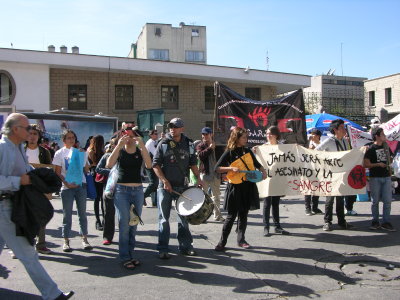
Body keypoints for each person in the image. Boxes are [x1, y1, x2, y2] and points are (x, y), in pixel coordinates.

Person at [0, 113, 74, 300]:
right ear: (15, 129)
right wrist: (19, 181)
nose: (31, 132)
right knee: (27, 253)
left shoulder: (17, 148)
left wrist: (40, 176)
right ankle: (53, 294)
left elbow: (26, 171)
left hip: (11, 203)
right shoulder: (2, 148)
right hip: (5, 205)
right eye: (26, 128)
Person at [153, 117, 204, 259]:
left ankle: (186, 247)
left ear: (182, 128)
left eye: (175, 127)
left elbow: (193, 163)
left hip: (182, 186)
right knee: (164, 219)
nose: (172, 129)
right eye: (170, 126)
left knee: (184, 219)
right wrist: (164, 181)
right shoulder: (163, 143)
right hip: (164, 187)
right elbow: (155, 165)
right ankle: (163, 248)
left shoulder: (188, 144)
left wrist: (199, 178)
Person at [214, 127, 267, 251]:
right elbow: (217, 168)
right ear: (236, 138)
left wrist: (263, 172)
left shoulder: (248, 151)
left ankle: (241, 240)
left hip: (248, 186)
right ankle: (222, 242)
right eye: (243, 137)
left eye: (246, 137)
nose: (246, 139)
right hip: (235, 188)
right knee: (231, 216)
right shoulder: (230, 152)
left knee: (243, 215)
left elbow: (257, 164)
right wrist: (230, 169)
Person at [106, 126, 152, 269]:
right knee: (124, 223)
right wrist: (118, 145)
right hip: (122, 190)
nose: (129, 138)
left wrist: (142, 145)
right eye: (126, 135)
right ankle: (125, 256)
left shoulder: (139, 150)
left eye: (131, 136)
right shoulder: (120, 150)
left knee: (134, 223)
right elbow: (108, 164)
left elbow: (149, 164)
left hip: (137, 190)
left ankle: (131, 254)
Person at [53, 130, 93, 252]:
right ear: (63, 140)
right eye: (68, 138)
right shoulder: (59, 153)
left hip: (80, 186)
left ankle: (84, 238)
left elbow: (86, 170)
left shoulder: (80, 152)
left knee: (82, 214)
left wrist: (84, 157)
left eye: (73, 138)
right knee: (67, 215)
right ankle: (66, 240)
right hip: (67, 188)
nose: (71, 140)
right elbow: (57, 172)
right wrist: (66, 183)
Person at [316, 119, 353, 231]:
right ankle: (327, 222)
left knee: (341, 199)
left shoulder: (345, 142)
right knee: (330, 199)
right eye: (342, 127)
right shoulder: (328, 141)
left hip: (341, 174)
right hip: (331, 175)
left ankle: (342, 221)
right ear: (335, 130)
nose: (344, 129)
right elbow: (316, 152)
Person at [254, 126, 289, 236]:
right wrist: (255, 151)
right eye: (267, 134)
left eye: (270, 134)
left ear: (276, 135)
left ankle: (277, 226)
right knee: (267, 203)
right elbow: (258, 161)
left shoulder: (282, 147)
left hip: (278, 179)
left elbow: (288, 160)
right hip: (267, 179)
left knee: (275, 203)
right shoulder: (264, 147)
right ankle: (266, 226)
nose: (268, 136)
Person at [25, 124, 54, 255]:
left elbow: (48, 170)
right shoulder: (20, 149)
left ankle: (41, 244)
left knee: (41, 215)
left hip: (39, 187)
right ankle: (23, 247)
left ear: (38, 136)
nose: (32, 137)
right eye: (30, 134)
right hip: (24, 187)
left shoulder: (44, 152)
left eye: (35, 134)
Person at [364, 127, 396, 231]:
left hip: (386, 176)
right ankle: (375, 221)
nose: (384, 136)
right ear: (377, 136)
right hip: (375, 177)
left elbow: (390, 158)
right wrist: (378, 164)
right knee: (375, 201)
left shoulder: (386, 146)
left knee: (387, 201)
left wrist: (389, 161)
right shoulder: (371, 148)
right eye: (382, 134)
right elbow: (366, 164)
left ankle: (386, 222)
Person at [196, 127, 224, 222]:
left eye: (206, 134)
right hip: (204, 174)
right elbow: (200, 156)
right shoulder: (200, 146)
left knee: (216, 197)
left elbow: (222, 160)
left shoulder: (218, 146)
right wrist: (210, 148)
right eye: (203, 134)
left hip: (215, 174)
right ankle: (203, 217)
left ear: (211, 134)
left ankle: (217, 216)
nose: (204, 136)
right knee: (203, 196)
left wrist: (223, 173)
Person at [95, 139, 117, 245]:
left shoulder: (126, 155)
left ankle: (126, 237)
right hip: (109, 187)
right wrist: (112, 172)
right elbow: (98, 169)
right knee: (108, 213)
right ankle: (108, 236)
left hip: (124, 188)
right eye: (115, 145)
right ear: (112, 146)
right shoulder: (106, 156)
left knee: (126, 214)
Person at [87, 135, 105, 231]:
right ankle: (99, 220)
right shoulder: (92, 151)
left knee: (98, 198)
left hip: (96, 174)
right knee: (99, 198)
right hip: (98, 174)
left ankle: (100, 220)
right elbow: (92, 164)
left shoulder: (91, 150)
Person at [304, 128, 323, 216]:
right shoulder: (309, 143)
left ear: (318, 136)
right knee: (308, 188)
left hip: (318, 168)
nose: (312, 136)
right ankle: (307, 208)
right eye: (311, 134)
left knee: (317, 188)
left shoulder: (322, 144)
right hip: (308, 168)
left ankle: (315, 207)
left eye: (314, 134)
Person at [143, 130, 159, 207]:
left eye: (157, 133)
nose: (157, 135)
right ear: (151, 135)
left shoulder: (154, 142)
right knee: (153, 183)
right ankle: (143, 196)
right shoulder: (150, 142)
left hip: (153, 164)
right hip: (149, 165)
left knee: (155, 183)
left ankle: (154, 202)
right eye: (155, 134)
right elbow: (155, 153)